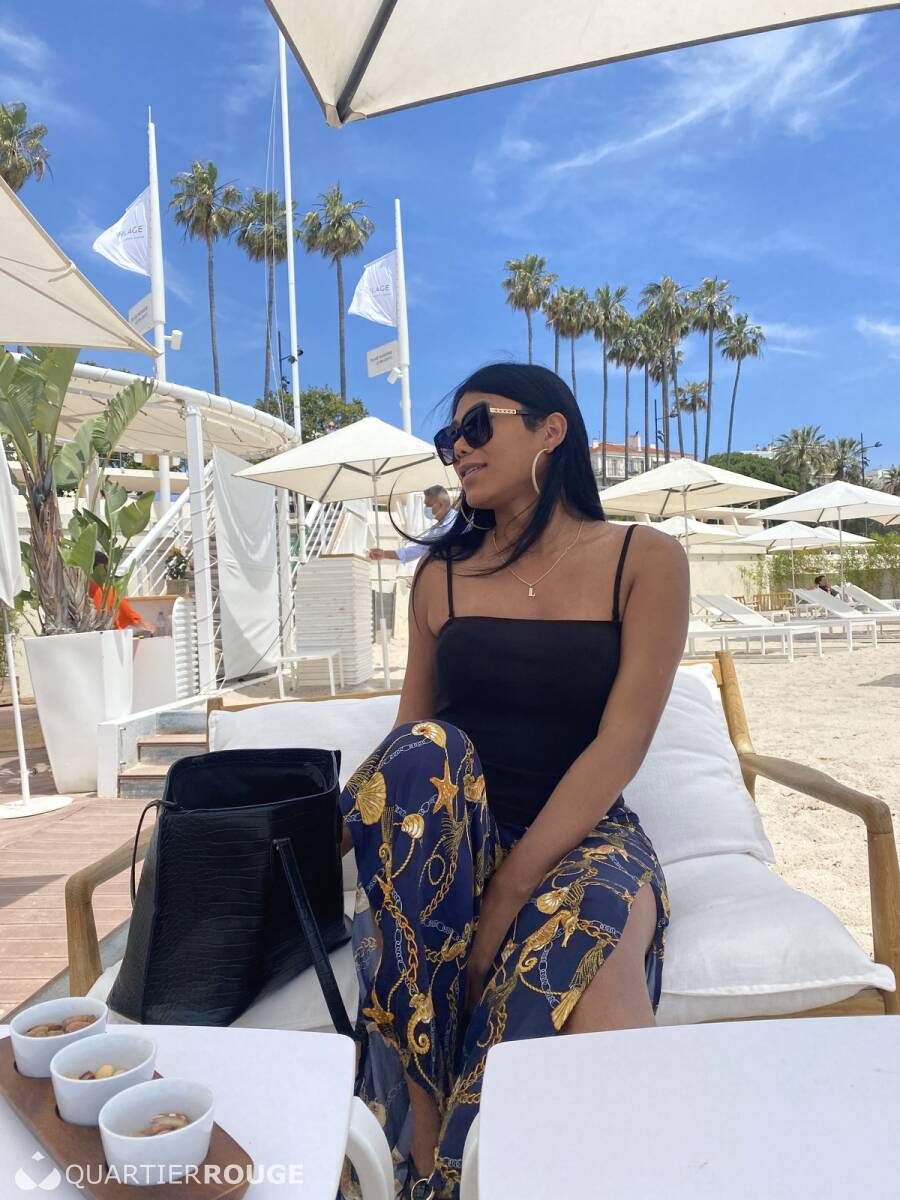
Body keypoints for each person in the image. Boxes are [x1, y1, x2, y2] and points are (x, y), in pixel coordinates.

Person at [339, 363, 688, 1200]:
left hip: (582, 834)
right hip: (449, 842)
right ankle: (426, 1132)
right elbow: (409, 742)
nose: (458, 450)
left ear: (551, 430)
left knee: (589, 944)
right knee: (427, 750)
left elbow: (622, 742)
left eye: (477, 427)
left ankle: (453, 1177)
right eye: (448, 439)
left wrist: (508, 893)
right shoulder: (439, 576)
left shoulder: (643, 559)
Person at [368, 486, 456, 564]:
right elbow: (417, 550)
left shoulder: (454, 523)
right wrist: (384, 554)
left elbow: (418, 550)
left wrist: (384, 554)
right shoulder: (438, 528)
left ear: (440, 504)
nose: (426, 509)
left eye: (428, 505)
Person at [89, 552, 155, 634]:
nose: (107, 572)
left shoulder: (109, 589)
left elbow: (127, 612)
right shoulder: (84, 589)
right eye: (105, 567)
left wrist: (142, 625)